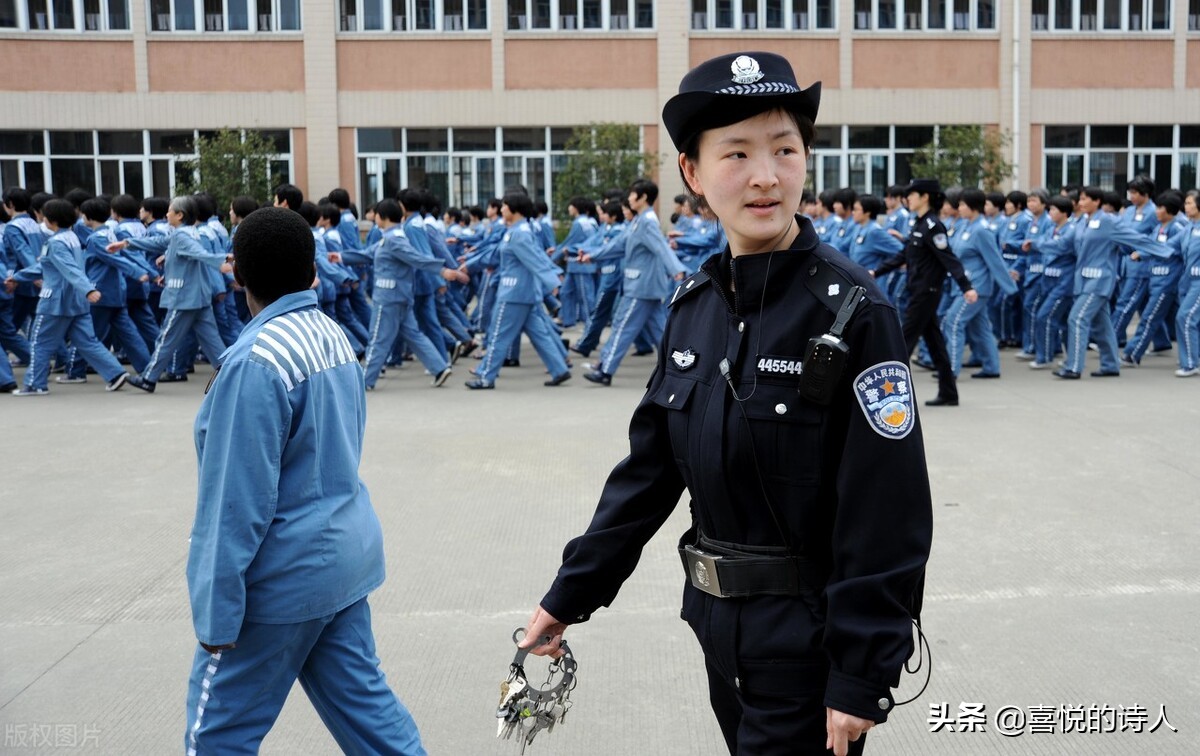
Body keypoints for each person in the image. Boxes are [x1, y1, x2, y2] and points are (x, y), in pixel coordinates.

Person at [520, 52, 932, 756]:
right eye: (736, 153)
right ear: (693, 172)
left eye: (784, 150)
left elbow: (886, 507)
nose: (765, 176)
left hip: (807, 644)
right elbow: (648, 474)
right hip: (715, 626)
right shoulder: (696, 305)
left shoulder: (855, 312)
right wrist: (568, 595)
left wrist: (862, 673)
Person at [183, 206, 426, 755]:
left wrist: (218, 611)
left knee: (217, 734)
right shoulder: (332, 335)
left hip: (279, 582)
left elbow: (234, 504)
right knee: (372, 720)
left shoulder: (255, 361)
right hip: (342, 565)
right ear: (314, 272)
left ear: (235, 274)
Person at [4, 199, 131, 395]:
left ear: (51, 220)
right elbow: (46, 266)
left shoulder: (55, 243)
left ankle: (35, 384)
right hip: (76, 302)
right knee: (88, 342)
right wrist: (19, 277)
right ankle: (115, 374)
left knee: (40, 342)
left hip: (55, 301)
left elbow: (69, 269)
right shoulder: (71, 238)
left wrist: (88, 289)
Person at [872, 179, 977, 406]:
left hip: (926, 293)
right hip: (919, 291)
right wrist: (876, 272)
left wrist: (966, 287)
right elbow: (904, 255)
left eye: (912, 195)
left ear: (925, 197)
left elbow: (949, 258)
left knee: (902, 343)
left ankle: (888, 396)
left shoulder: (933, 226)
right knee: (935, 344)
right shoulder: (919, 224)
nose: (907, 199)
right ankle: (949, 393)